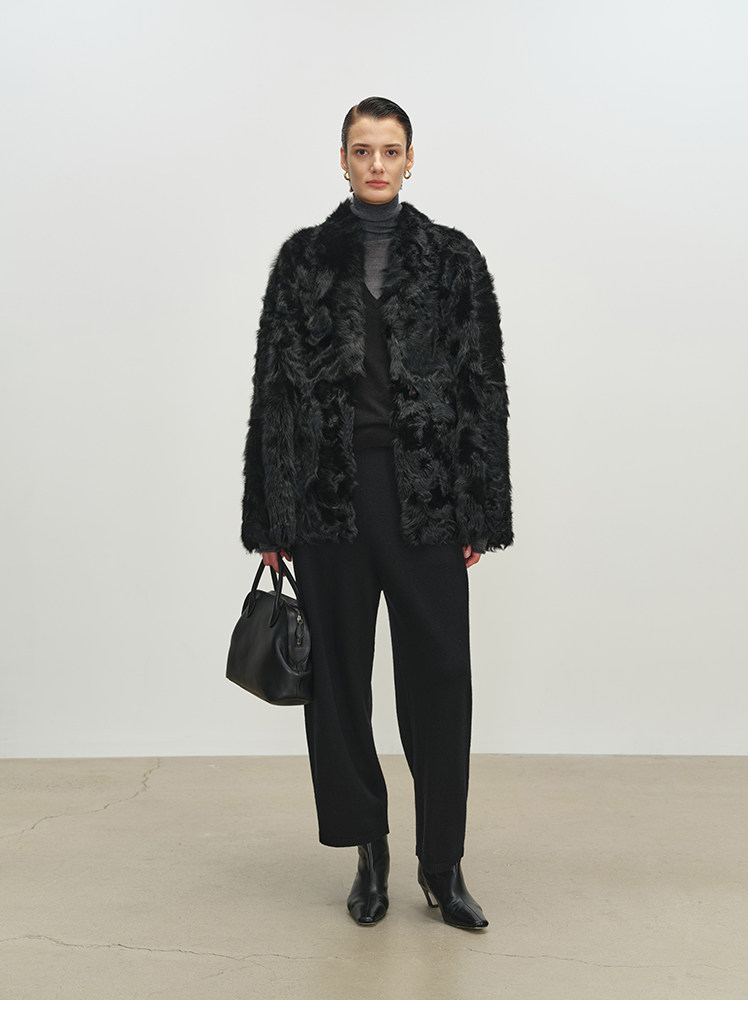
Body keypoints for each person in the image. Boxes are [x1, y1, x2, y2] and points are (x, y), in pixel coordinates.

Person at [241, 97, 513, 930]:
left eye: (390, 151)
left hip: (426, 498)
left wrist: (480, 508)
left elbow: (482, 389)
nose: (377, 165)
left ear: (410, 158)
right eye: (363, 151)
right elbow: (274, 393)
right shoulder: (302, 261)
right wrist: (271, 517)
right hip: (330, 500)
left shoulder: (454, 260)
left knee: (441, 678)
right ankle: (369, 850)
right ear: (343, 159)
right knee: (338, 685)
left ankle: (443, 864)